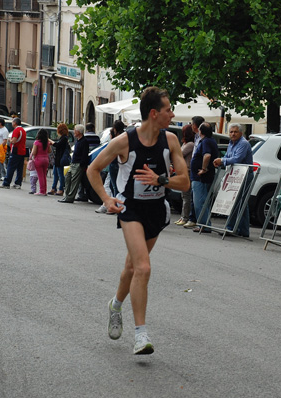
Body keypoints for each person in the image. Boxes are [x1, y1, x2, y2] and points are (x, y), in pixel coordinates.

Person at [86, 86, 190, 355]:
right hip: (131, 209)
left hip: (156, 210)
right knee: (143, 267)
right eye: (169, 110)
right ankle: (141, 335)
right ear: (154, 113)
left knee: (132, 268)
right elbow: (93, 169)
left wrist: (161, 180)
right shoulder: (124, 141)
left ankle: (115, 305)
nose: (172, 114)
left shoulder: (171, 140)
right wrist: (107, 200)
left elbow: (185, 183)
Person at [212, 123, 254, 237]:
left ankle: (231, 228)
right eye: (231, 132)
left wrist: (222, 160)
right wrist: (222, 160)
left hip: (244, 175)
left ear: (241, 133)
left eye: (235, 132)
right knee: (240, 203)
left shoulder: (243, 143)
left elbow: (237, 159)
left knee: (238, 202)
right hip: (235, 175)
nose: (233, 134)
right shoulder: (231, 143)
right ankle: (242, 230)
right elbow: (228, 156)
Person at [190, 122, 219, 233]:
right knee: (202, 200)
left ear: (200, 131)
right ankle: (204, 224)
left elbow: (207, 155)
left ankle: (204, 225)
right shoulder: (210, 140)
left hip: (201, 177)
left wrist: (203, 168)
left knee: (199, 201)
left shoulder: (206, 141)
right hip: (203, 177)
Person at [182, 116, 206, 229]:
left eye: (192, 124)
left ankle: (197, 221)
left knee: (196, 198)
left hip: (196, 172)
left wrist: (203, 168)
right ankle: (192, 219)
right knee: (191, 196)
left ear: (196, 125)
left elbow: (206, 155)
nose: (192, 126)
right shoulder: (197, 137)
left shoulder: (203, 140)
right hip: (192, 171)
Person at [57, 124, 88, 203]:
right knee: (67, 178)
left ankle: (70, 198)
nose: (74, 132)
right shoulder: (78, 140)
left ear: (79, 132)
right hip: (73, 163)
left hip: (78, 164)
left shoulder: (84, 141)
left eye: (75, 130)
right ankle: (66, 196)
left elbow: (84, 154)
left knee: (74, 181)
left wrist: (81, 164)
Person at [174, 124, 195, 225]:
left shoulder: (190, 144)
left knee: (186, 196)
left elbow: (179, 154)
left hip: (188, 171)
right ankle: (183, 216)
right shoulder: (186, 143)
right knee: (184, 195)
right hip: (184, 171)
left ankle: (185, 217)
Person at [0, 117, 26, 189]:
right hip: (22, 151)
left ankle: (6, 183)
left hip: (16, 151)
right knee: (20, 168)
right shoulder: (23, 130)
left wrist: (9, 140)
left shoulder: (16, 130)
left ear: (15, 123)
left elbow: (14, 141)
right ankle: (18, 183)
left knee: (10, 167)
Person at [49, 123, 70, 196]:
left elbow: (57, 145)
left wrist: (51, 141)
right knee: (55, 174)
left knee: (60, 175)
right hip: (57, 158)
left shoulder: (64, 138)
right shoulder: (63, 138)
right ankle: (53, 188)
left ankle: (61, 189)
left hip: (60, 159)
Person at [30, 128, 51, 195]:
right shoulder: (47, 143)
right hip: (46, 159)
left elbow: (34, 152)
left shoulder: (37, 142)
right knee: (44, 175)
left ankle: (41, 191)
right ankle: (44, 190)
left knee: (40, 176)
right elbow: (49, 151)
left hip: (38, 159)